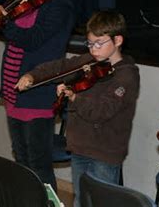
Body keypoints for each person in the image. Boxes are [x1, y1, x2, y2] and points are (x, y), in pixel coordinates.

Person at [15, 11, 140, 207]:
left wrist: (74, 97)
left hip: (104, 153)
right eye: (90, 43)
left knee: (101, 203)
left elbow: (102, 111)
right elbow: (59, 67)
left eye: (99, 43)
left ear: (117, 40)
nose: (93, 49)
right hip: (80, 146)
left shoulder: (126, 77)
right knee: (81, 200)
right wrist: (33, 76)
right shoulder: (88, 62)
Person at [0, 0, 76, 191]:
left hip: (38, 93)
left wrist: (3, 23)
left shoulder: (60, 4)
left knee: (39, 165)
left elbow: (33, 39)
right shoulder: (24, 2)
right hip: (14, 94)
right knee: (21, 163)